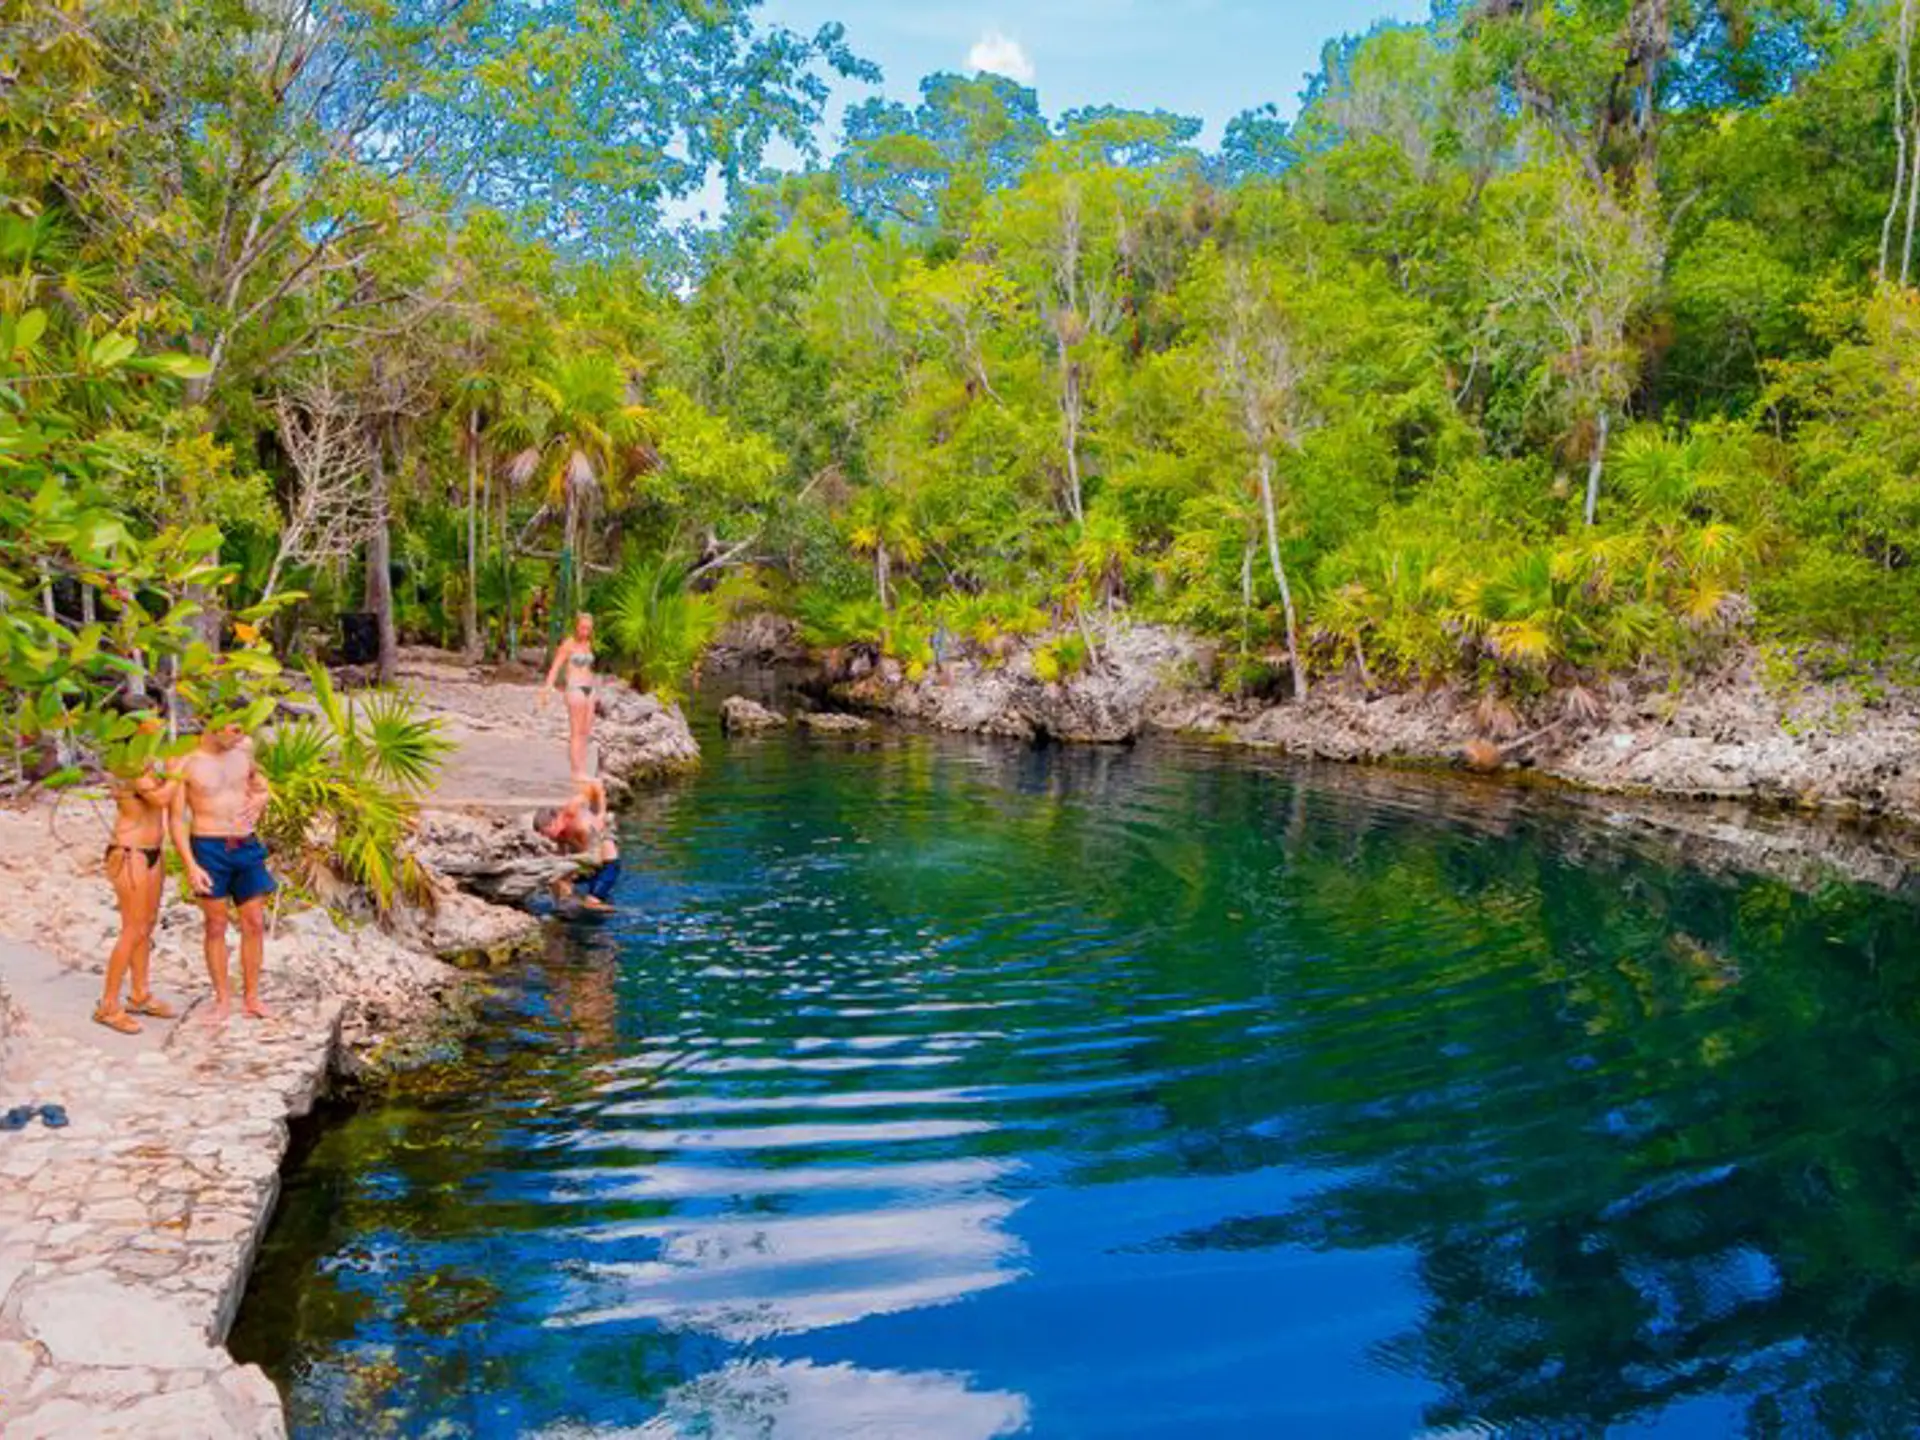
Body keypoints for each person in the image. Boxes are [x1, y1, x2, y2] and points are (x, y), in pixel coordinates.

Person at [167, 712, 276, 1023]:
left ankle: (252, 998)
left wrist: (262, 797)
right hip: (209, 846)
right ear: (212, 724)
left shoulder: (244, 749)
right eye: (234, 727)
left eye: (243, 728)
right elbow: (176, 819)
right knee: (216, 925)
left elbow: (259, 782)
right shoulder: (185, 761)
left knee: (254, 921)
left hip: (246, 844)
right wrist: (190, 865)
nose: (240, 734)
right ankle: (222, 999)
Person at [94, 702, 180, 1035]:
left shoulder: (144, 760)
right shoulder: (126, 764)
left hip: (152, 851)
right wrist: (176, 770)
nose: (157, 722)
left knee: (146, 925)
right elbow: (159, 800)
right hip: (129, 853)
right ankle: (108, 1005)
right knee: (132, 929)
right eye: (151, 717)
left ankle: (140, 994)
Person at [533, 774, 620, 912]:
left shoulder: (573, 811)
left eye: (546, 834)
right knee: (556, 879)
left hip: (606, 864)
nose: (548, 839)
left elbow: (596, 785)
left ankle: (618, 911)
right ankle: (560, 910)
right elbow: (562, 859)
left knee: (591, 905)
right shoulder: (558, 834)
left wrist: (601, 814)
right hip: (587, 863)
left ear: (553, 823)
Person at [539, 612, 599, 777]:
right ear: (576, 627)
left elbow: (588, 668)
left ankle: (582, 766)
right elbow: (555, 667)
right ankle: (577, 771)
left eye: (588, 629)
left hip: (589, 689)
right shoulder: (568, 644)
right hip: (575, 688)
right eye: (583, 628)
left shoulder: (588, 643)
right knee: (576, 731)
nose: (585, 631)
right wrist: (547, 689)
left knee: (585, 731)